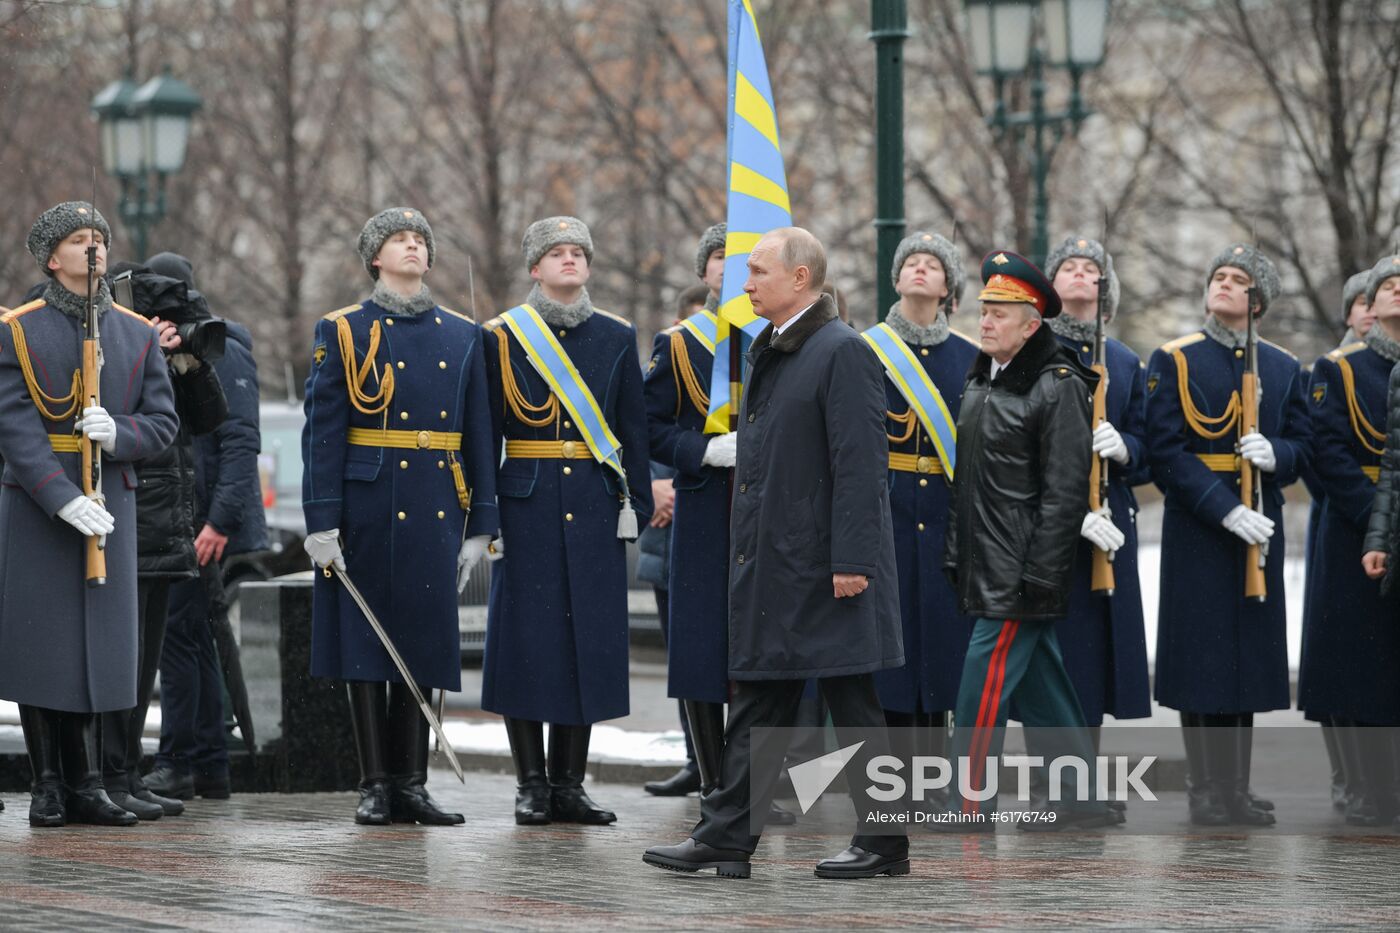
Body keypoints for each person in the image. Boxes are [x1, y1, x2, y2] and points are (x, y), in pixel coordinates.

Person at [644, 227, 909, 880]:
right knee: (759, 698)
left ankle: (884, 843)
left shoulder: (841, 350)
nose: (747, 284)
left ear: (800, 278)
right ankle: (727, 835)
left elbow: (861, 466)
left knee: (853, 702)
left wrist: (854, 561)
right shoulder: (774, 346)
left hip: (826, 566)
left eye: (759, 271)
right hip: (778, 563)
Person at [301, 207, 499, 825]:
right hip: (366, 505)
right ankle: (375, 785)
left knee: (424, 643)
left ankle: (412, 784)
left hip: (436, 502)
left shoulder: (465, 335)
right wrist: (321, 520)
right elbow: (324, 432)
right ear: (374, 258)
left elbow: (479, 433)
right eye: (399, 240)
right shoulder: (344, 329)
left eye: (420, 241)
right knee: (365, 644)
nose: (413, 247)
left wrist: (482, 524)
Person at [0, 201, 178, 827]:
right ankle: (48, 784)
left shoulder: (134, 331)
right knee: (43, 644)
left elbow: (163, 422)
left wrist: (120, 433)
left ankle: (90, 782)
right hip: (40, 502)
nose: (94, 247)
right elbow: (15, 427)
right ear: (52, 258)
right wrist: (61, 496)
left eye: (100, 236)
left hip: (110, 501)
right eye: (79, 239)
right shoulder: (17, 329)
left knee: (99, 648)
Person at [481, 216, 652, 826]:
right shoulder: (501, 336)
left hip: (595, 505)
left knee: (587, 643)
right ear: (535, 267)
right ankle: (531, 784)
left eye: (579, 251)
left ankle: (570, 784)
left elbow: (632, 429)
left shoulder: (616, 333)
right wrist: (486, 516)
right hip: (525, 505)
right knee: (526, 646)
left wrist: (635, 504)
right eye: (556, 253)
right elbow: (485, 433)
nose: (570, 260)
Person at [937, 249, 1112, 831]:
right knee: (1044, 688)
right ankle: (1082, 796)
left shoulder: (1057, 385)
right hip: (987, 560)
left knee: (981, 685)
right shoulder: (981, 378)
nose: (985, 322)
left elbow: (1065, 492)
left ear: (1032, 325)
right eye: (984, 310)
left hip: (1020, 569)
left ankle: (968, 804)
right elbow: (969, 481)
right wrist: (957, 551)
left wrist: (1041, 572)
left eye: (1000, 313)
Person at [1145, 243, 1311, 826]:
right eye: (1218, 276)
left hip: (1258, 522)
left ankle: (1236, 787)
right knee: (1202, 661)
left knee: (1246, 661)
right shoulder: (1176, 359)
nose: (1223, 284)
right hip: (1199, 527)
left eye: (1238, 279)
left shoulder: (1284, 367)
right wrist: (1223, 509)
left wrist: (1277, 453)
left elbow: (1304, 447)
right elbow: (1166, 452)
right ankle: (1205, 788)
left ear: (1257, 300)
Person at [641, 223, 797, 824]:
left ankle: (761, 787)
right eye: (723, 261)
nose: (735, 273)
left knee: (769, 651)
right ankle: (714, 787)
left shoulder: (787, 339)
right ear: (705, 272)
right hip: (707, 510)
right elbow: (650, 427)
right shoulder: (680, 344)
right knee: (704, 652)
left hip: (774, 512)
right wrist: (701, 451)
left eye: (750, 263)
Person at [100, 254, 228, 819]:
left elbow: (210, 418)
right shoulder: (112, 340)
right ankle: (107, 774)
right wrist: (142, 350)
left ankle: (127, 771)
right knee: (121, 659)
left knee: (147, 660)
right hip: (131, 518)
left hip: (167, 523)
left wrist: (187, 363)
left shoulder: (168, 355)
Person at [1035, 236, 1152, 819]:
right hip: (1050, 523)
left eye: (1092, 269)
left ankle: (1082, 783)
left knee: (1096, 657)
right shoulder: (1034, 349)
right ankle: (1051, 785)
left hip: (1109, 522)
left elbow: (1149, 449)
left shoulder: (1125, 360)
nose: (1081, 275)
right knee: (1055, 657)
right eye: (1070, 267)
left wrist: (1123, 445)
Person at [145, 253, 267, 803]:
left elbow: (239, 440)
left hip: (202, 519)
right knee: (195, 637)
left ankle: (183, 761)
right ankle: (208, 764)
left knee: (183, 638)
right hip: (190, 513)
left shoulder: (221, 345)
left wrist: (218, 521)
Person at [863, 231, 977, 774]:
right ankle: (892, 774)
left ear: (948, 284)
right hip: (887, 512)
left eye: (932, 263)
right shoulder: (867, 348)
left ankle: (933, 775)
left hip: (946, 518)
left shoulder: (970, 356)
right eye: (911, 261)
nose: (920, 269)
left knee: (941, 651)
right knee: (892, 649)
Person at [1303, 253, 1400, 826]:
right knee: (1362, 666)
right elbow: (1329, 453)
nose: (1396, 292)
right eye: (1386, 286)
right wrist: (1378, 521)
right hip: (1357, 531)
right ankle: (1367, 787)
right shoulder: (1339, 369)